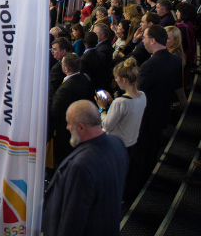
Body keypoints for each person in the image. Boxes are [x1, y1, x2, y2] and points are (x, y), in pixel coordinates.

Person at [42, 100, 128, 236]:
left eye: (69, 123)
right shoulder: (117, 143)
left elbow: (72, 220)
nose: (67, 128)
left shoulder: (80, 166)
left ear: (81, 128)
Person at [131, 25, 183, 193]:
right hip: (162, 113)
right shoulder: (176, 60)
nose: (143, 41)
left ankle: (136, 188)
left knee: (140, 155)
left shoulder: (149, 66)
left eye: (144, 38)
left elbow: (136, 92)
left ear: (153, 40)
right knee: (153, 151)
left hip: (146, 117)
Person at [50, 53, 95, 169]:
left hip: (66, 129)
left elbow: (55, 110)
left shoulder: (65, 89)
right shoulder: (85, 78)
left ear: (65, 69)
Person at [96, 59, 146, 148]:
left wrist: (102, 108)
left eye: (116, 77)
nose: (115, 80)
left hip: (117, 143)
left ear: (123, 80)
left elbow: (106, 126)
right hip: (132, 140)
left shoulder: (119, 103)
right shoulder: (142, 95)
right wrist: (112, 102)